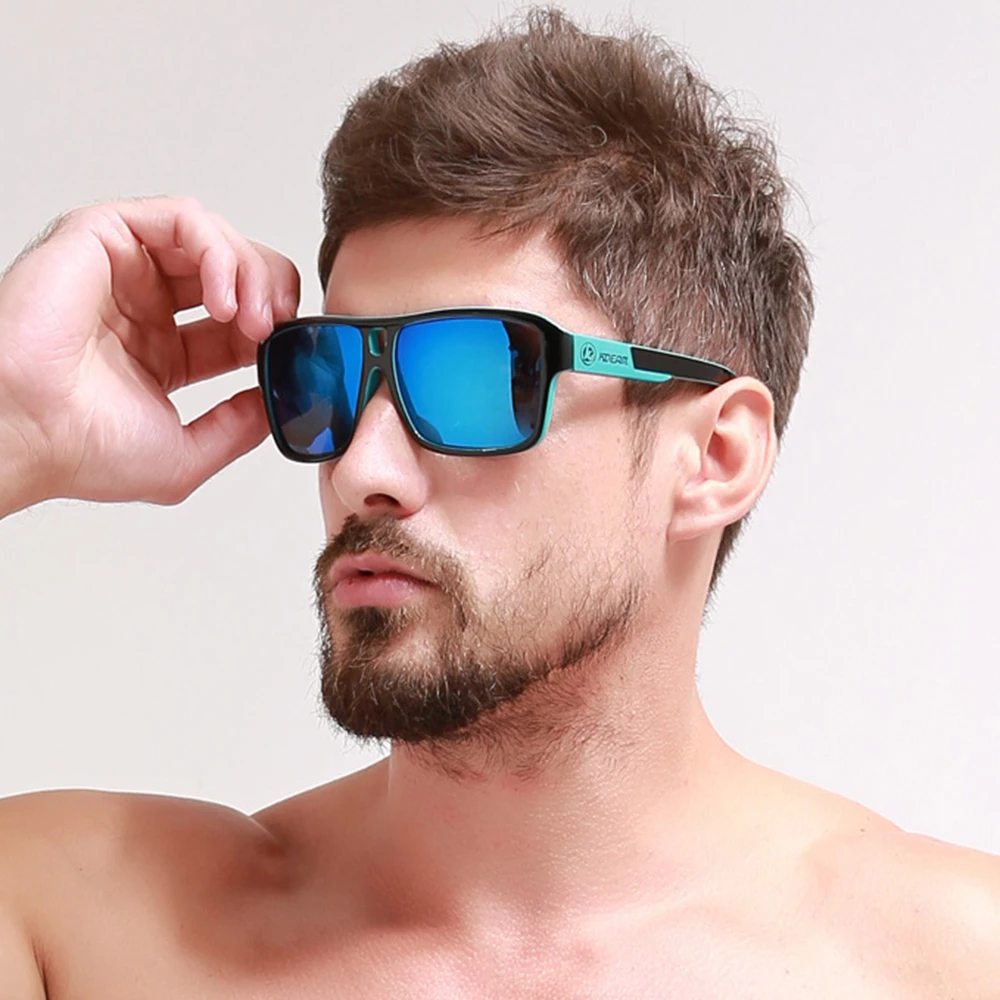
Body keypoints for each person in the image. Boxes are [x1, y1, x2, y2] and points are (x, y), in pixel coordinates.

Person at [0, 9, 997, 997]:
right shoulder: (77, 922)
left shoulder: (947, 964)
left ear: (713, 457)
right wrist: (15, 425)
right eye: (331, 374)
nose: (361, 468)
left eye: (475, 379)